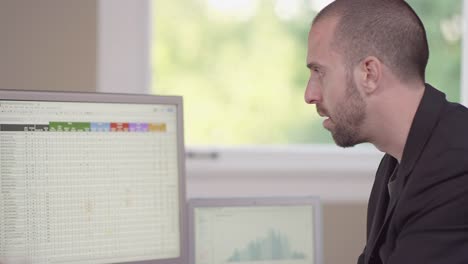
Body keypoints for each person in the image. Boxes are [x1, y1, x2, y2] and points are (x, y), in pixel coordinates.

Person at [304, 0, 468, 263]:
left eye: (319, 72)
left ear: (369, 74)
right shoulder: (395, 161)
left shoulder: (456, 165)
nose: (309, 95)